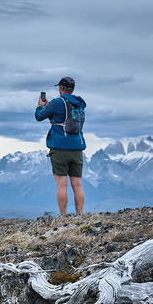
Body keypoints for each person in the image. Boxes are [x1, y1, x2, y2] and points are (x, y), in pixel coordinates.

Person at [35, 76, 86, 216]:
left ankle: (63, 216)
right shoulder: (79, 103)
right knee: (77, 184)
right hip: (77, 148)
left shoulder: (57, 103)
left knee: (62, 184)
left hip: (60, 148)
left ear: (62, 88)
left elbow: (39, 116)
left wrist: (40, 105)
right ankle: (79, 215)